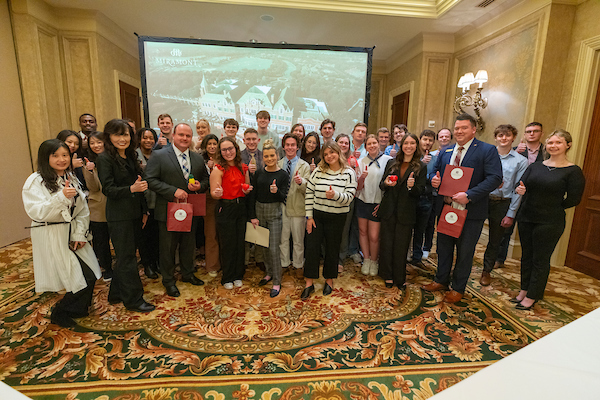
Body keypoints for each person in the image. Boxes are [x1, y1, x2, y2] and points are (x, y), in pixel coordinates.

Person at [423, 113, 502, 303]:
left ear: (473, 129)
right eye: (456, 128)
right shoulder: (446, 151)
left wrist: (469, 195)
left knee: (465, 251)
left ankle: (458, 287)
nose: (459, 131)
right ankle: (440, 279)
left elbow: (495, 178)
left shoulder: (486, 150)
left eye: (463, 128)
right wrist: (434, 179)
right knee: (443, 247)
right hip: (447, 208)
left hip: (470, 211)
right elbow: (436, 171)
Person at [22, 139, 101, 327]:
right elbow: (36, 211)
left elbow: (82, 209)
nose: (61, 159)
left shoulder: (70, 177)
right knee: (73, 274)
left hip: (72, 231)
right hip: (52, 232)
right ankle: (62, 311)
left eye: (65, 155)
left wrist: (79, 234)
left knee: (89, 272)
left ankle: (78, 308)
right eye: (55, 155)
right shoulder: (36, 180)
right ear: (45, 158)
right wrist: (60, 197)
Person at [512, 130, 585, 310]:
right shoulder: (536, 166)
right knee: (526, 256)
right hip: (527, 216)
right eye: (550, 143)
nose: (553, 146)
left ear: (567, 145)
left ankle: (533, 295)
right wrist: (519, 190)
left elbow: (574, 199)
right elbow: (520, 184)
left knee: (540, 258)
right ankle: (524, 289)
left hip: (550, 221)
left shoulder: (573, 171)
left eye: (558, 143)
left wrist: (553, 207)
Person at [96, 119, 155, 312]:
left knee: (126, 256)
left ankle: (116, 294)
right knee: (127, 257)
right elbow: (108, 189)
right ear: (109, 137)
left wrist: (144, 210)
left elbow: (140, 186)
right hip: (119, 216)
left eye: (126, 134)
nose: (123, 139)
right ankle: (134, 300)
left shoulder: (130, 156)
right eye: (118, 134)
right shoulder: (105, 159)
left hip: (135, 213)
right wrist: (131, 188)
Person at [145, 123, 210, 297]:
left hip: (190, 209)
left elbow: (206, 180)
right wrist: (173, 191)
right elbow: (150, 180)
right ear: (173, 135)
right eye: (181, 135)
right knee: (167, 247)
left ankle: (188, 274)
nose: (184, 138)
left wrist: (199, 186)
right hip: (168, 209)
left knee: (189, 245)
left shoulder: (196, 158)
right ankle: (168, 280)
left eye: (188, 136)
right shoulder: (158, 155)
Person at [302, 141, 357, 299]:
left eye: (332, 153)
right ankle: (309, 283)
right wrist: (309, 217)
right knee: (312, 248)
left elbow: (349, 198)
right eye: (325, 154)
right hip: (317, 216)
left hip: (337, 217)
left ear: (338, 153)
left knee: (332, 249)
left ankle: (329, 280)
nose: (329, 156)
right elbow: (309, 193)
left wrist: (335, 196)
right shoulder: (319, 170)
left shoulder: (348, 172)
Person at [480, 125, 528, 286]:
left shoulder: (521, 161)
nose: (504, 138)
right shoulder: (486, 155)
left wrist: (511, 213)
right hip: (482, 199)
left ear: (513, 138)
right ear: (495, 137)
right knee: (470, 234)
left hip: (502, 203)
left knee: (495, 240)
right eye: (500, 135)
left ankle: (486, 271)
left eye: (507, 135)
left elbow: (518, 189)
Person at [495, 121, 546, 269]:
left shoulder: (548, 152)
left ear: (541, 134)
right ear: (524, 135)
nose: (532, 134)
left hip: (534, 198)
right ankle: (499, 258)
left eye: (535, 131)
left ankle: (529, 263)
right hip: (513, 194)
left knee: (529, 232)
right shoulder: (516, 151)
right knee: (505, 229)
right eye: (529, 131)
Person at [379, 133, 426, 288]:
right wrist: (386, 183)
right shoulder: (392, 162)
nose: (409, 146)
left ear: (416, 146)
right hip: (389, 210)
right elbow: (382, 185)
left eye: (412, 143)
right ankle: (387, 275)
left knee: (401, 245)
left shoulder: (421, 166)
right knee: (387, 243)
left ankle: (399, 277)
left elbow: (420, 192)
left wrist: (412, 187)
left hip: (406, 212)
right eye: (406, 143)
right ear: (401, 145)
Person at [210, 137, 253, 289]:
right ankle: (227, 277)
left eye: (231, 148)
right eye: (224, 150)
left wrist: (246, 190)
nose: (228, 152)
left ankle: (238, 274)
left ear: (236, 148)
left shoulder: (243, 167)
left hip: (240, 207)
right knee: (227, 244)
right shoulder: (218, 169)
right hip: (225, 208)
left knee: (240, 243)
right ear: (220, 152)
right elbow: (213, 194)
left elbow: (246, 188)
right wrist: (217, 193)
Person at [249, 139, 289, 297]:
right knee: (262, 247)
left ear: (277, 155)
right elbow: (253, 196)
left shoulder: (283, 175)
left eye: (272, 155)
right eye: (266, 156)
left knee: (273, 249)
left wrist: (276, 191)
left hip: (274, 214)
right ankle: (269, 272)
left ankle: (277, 281)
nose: (269, 158)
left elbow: (283, 197)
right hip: (259, 212)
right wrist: (252, 216)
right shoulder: (259, 172)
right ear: (262, 158)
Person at [356, 134, 392, 276]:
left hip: (378, 202)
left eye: (374, 143)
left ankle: (374, 259)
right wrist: (361, 178)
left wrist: (383, 203)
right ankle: (366, 259)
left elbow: (390, 185)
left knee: (374, 235)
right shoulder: (360, 162)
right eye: (369, 144)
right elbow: (357, 187)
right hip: (362, 201)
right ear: (366, 147)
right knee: (363, 231)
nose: (372, 146)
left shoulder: (388, 161)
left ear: (379, 144)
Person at [82, 131, 113, 281]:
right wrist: (89, 171)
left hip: (115, 203)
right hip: (98, 207)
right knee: (101, 240)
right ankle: (107, 268)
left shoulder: (112, 158)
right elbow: (93, 188)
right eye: (92, 143)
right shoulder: (88, 162)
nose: (96, 145)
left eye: (99, 142)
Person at [278, 133, 311, 270]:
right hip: (282, 207)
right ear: (283, 147)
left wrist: (301, 182)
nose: (290, 147)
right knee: (283, 239)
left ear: (297, 147)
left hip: (298, 207)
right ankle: (284, 264)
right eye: (287, 145)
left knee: (298, 240)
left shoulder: (304, 166)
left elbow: (309, 188)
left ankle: (298, 265)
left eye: (293, 145)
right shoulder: (278, 164)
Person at [135, 127, 160, 280]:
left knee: (157, 235)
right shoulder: (134, 155)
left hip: (158, 200)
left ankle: (157, 262)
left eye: (151, 138)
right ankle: (148, 265)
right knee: (144, 236)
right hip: (142, 201)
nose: (148, 141)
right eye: (145, 138)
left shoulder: (159, 155)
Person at [410, 129, 437, 266]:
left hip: (427, 196)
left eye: (430, 140)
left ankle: (417, 256)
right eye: (425, 139)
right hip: (412, 195)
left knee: (421, 228)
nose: (427, 142)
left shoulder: (436, 158)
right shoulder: (413, 156)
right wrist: (421, 162)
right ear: (419, 140)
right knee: (408, 227)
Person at [336, 134, 361, 266]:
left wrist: (353, 167)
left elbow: (357, 181)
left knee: (344, 230)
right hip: (332, 198)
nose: (343, 145)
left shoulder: (353, 160)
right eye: (341, 142)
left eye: (346, 143)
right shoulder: (331, 158)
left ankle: (340, 259)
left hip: (348, 200)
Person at [199, 133, 221, 277]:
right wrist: (209, 168)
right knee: (211, 233)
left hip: (224, 198)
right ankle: (212, 265)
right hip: (208, 199)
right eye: (209, 144)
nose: (212, 147)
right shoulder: (199, 160)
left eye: (214, 144)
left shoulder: (224, 158)